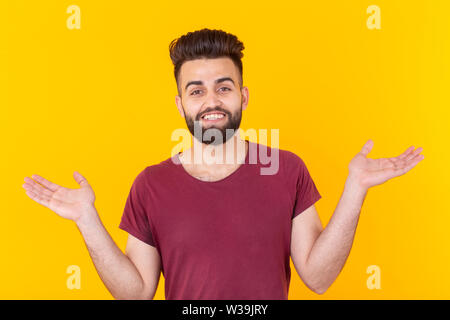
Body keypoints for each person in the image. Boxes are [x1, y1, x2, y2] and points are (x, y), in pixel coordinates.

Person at [22, 28, 424, 300]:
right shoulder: (151, 184)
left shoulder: (285, 169)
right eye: (196, 90)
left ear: (243, 97)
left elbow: (317, 278)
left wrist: (355, 188)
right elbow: (137, 291)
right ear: (181, 104)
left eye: (224, 87)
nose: (211, 101)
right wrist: (86, 219)